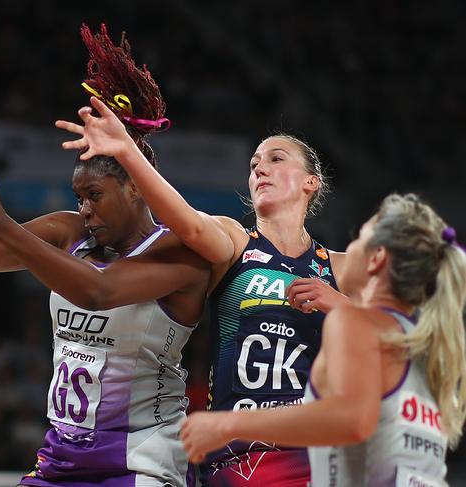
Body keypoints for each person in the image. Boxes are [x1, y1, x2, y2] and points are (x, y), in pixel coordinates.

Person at [0, 23, 209, 487]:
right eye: (79, 197)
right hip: (60, 460)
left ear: (134, 186)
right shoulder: (64, 231)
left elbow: (97, 290)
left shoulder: (180, 254)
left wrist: (1, 224)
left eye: (95, 195)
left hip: (142, 462)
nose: (85, 209)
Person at [57, 97, 350, 486]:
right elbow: (191, 227)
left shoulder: (342, 266)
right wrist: (127, 152)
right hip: (236, 453)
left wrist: (343, 306)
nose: (261, 167)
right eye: (254, 164)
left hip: (310, 449)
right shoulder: (234, 240)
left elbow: (408, 341)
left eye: (276, 159)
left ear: (311, 182)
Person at [180, 193, 466, 486]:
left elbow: (352, 420)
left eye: (358, 240)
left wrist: (227, 423)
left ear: (377, 258)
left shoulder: (354, 323)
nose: (348, 249)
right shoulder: (423, 344)